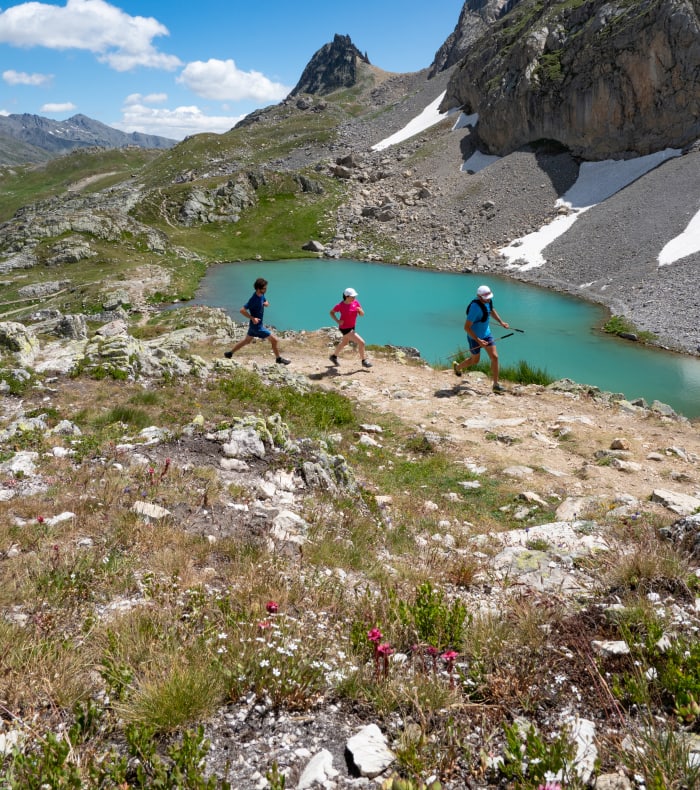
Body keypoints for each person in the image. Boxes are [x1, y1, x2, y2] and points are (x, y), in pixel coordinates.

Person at [452, 284, 509, 392]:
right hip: (474, 337)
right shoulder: (475, 308)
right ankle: (457, 367)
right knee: (475, 361)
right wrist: (478, 340)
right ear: (479, 297)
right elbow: (467, 327)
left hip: (486, 334)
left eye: (489, 298)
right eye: (486, 298)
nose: (488, 300)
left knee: (495, 357)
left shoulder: (488, 301)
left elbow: (491, 310)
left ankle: (496, 385)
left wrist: (501, 322)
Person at [224, 277, 290, 364]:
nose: (266, 289)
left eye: (266, 288)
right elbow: (242, 310)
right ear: (258, 289)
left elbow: (266, 301)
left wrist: (266, 303)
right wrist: (252, 318)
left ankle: (229, 353)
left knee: (246, 341)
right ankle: (278, 359)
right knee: (275, 340)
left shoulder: (261, 295)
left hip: (253, 326)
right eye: (264, 288)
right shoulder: (253, 299)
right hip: (257, 326)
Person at [329, 287, 372, 368]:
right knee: (362, 342)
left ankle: (333, 357)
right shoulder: (340, 305)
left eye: (354, 296)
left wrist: (360, 310)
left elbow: (362, 314)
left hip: (352, 327)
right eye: (352, 297)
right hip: (345, 328)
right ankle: (364, 361)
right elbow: (331, 313)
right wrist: (338, 321)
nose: (354, 298)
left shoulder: (356, 303)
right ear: (346, 296)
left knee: (345, 343)